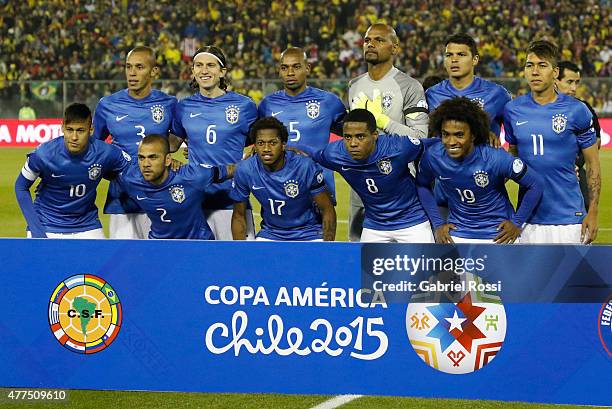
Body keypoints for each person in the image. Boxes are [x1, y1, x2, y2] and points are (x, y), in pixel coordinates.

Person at [503, 40, 600, 244]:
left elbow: (592, 164)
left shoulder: (576, 110)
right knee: (530, 277)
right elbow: (512, 158)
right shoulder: (512, 110)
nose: (535, 72)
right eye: (530, 66)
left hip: (569, 220)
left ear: (555, 72)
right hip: (528, 220)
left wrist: (593, 211)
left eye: (542, 65)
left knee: (572, 277)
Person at [416, 97, 543, 244]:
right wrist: (438, 224)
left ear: (473, 135)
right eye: (446, 134)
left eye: (459, 135)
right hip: (458, 234)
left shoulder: (495, 158)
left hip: (499, 236)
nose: (451, 142)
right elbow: (422, 185)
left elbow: (536, 184)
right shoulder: (433, 156)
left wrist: (516, 223)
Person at [347, 23, 429, 242]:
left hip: (399, 187)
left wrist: (382, 121)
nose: (371, 44)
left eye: (379, 40)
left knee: (410, 266)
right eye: (367, 40)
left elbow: (420, 139)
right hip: (362, 184)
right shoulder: (354, 85)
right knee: (361, 262)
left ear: (395, 48)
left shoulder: (410, 86)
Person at [303, 109, 434, 243]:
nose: (353, 143)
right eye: (347, 137)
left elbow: (433, 146)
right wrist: (290, 148)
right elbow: (310, 153)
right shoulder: (336, 154)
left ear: (375, 135)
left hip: (412, 222)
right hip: (374, 226)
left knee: (422, 264)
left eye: (360, 136)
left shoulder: (397, 147)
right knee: (365, 264)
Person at [172, 46, 258, 240]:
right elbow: (172, 143)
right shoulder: (183, 107)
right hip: (195, 200)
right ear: (192, 71)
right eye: (199, 65)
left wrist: (250, 156)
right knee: (199, 265)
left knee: (239, 265)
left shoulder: (245, 106)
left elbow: (259, 143)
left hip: (234, 199)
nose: (204, 70)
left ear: (222, 72)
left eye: (211, 65)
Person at [93, 46, 177, 239]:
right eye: (128, 67)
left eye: (139, 67)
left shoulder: (169, 104)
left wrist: (174, 158)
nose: (132, 73)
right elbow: (93, 149)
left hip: (160, 197)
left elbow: (179, 140)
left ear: (153, 71)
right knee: (123, 266)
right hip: (121, 201)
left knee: (160, 262)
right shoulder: (108, 105)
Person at [15, 103, 130, 238]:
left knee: (101, 259)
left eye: (80, 130)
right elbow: (21, 186)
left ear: (91, 129)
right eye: (70, 130)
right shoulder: (44, 154)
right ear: (62, 127)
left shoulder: (105, 152)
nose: (74, 137)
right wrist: (36, 230)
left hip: (87, 225)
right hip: (47, 224)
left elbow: (132, 170)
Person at [258, 47, 346, 202]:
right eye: (285, 68)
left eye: (296, 67)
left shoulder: (329, 102)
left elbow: (349, 137)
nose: (290, 73)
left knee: (325, 225)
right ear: (279, 71)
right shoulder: (267, 105)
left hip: (319, 188)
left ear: (307, 68)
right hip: (278, 187)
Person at [231, 117, 336, 241]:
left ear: (283, 144)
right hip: (270, 234)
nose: (266, 149)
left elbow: (327, 209)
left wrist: (327, 247)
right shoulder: (245, 169)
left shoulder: (304, 166)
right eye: (260, 143)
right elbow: (238, 215)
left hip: (309, 233)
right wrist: (240, 250)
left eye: (273, 143)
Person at [117, 135, 232, 240]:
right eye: (141, 158)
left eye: (153, 157)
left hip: (197, 244)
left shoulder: (192, 177)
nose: (146, 164)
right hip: (159, 245)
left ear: (168, 160)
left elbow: (230, 170)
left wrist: (248, 164)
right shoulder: (131, 180)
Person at [425, 33, 512, 137]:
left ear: (475, 59)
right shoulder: (431, 94)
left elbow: (514, 136)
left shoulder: (497, 94)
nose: (454, 60)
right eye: (449, 55)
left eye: (461, 54)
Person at [555, 60, 602, 211]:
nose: (574, 88)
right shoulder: (538, 109)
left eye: (576, 83)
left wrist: (577, 162)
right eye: (569, 82)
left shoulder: (584, 108)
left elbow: (596, 141)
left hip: (575, 175)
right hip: (546, 178)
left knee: (584, 209)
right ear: (555, 79)